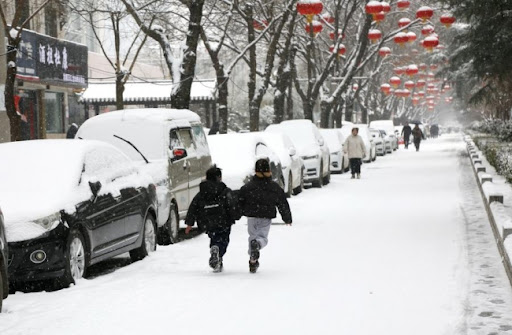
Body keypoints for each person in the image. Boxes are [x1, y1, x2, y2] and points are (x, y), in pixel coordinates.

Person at [238, 159, 292, 273]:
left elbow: (240, 200)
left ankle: (253, 260)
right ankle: (256, 247)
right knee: (262, 238)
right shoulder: (274, 187)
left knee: (252, 236)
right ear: (269, 171)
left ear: (255, 171)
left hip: (251, 216)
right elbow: (282, 203)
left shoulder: (248, 187)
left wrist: (238, 212)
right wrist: (287, 218)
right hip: (265, 216)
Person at [185, 166, 238, 272]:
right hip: (224, 221)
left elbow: (193, 207)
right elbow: (232, 204)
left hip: (207, 221)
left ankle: (215, 251)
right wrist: (235, 216)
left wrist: (189, 223)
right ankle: (218, 252)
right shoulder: (224, 190)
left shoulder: (201, 192)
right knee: (223, 239)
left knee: (214, 237)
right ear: (219, 177)